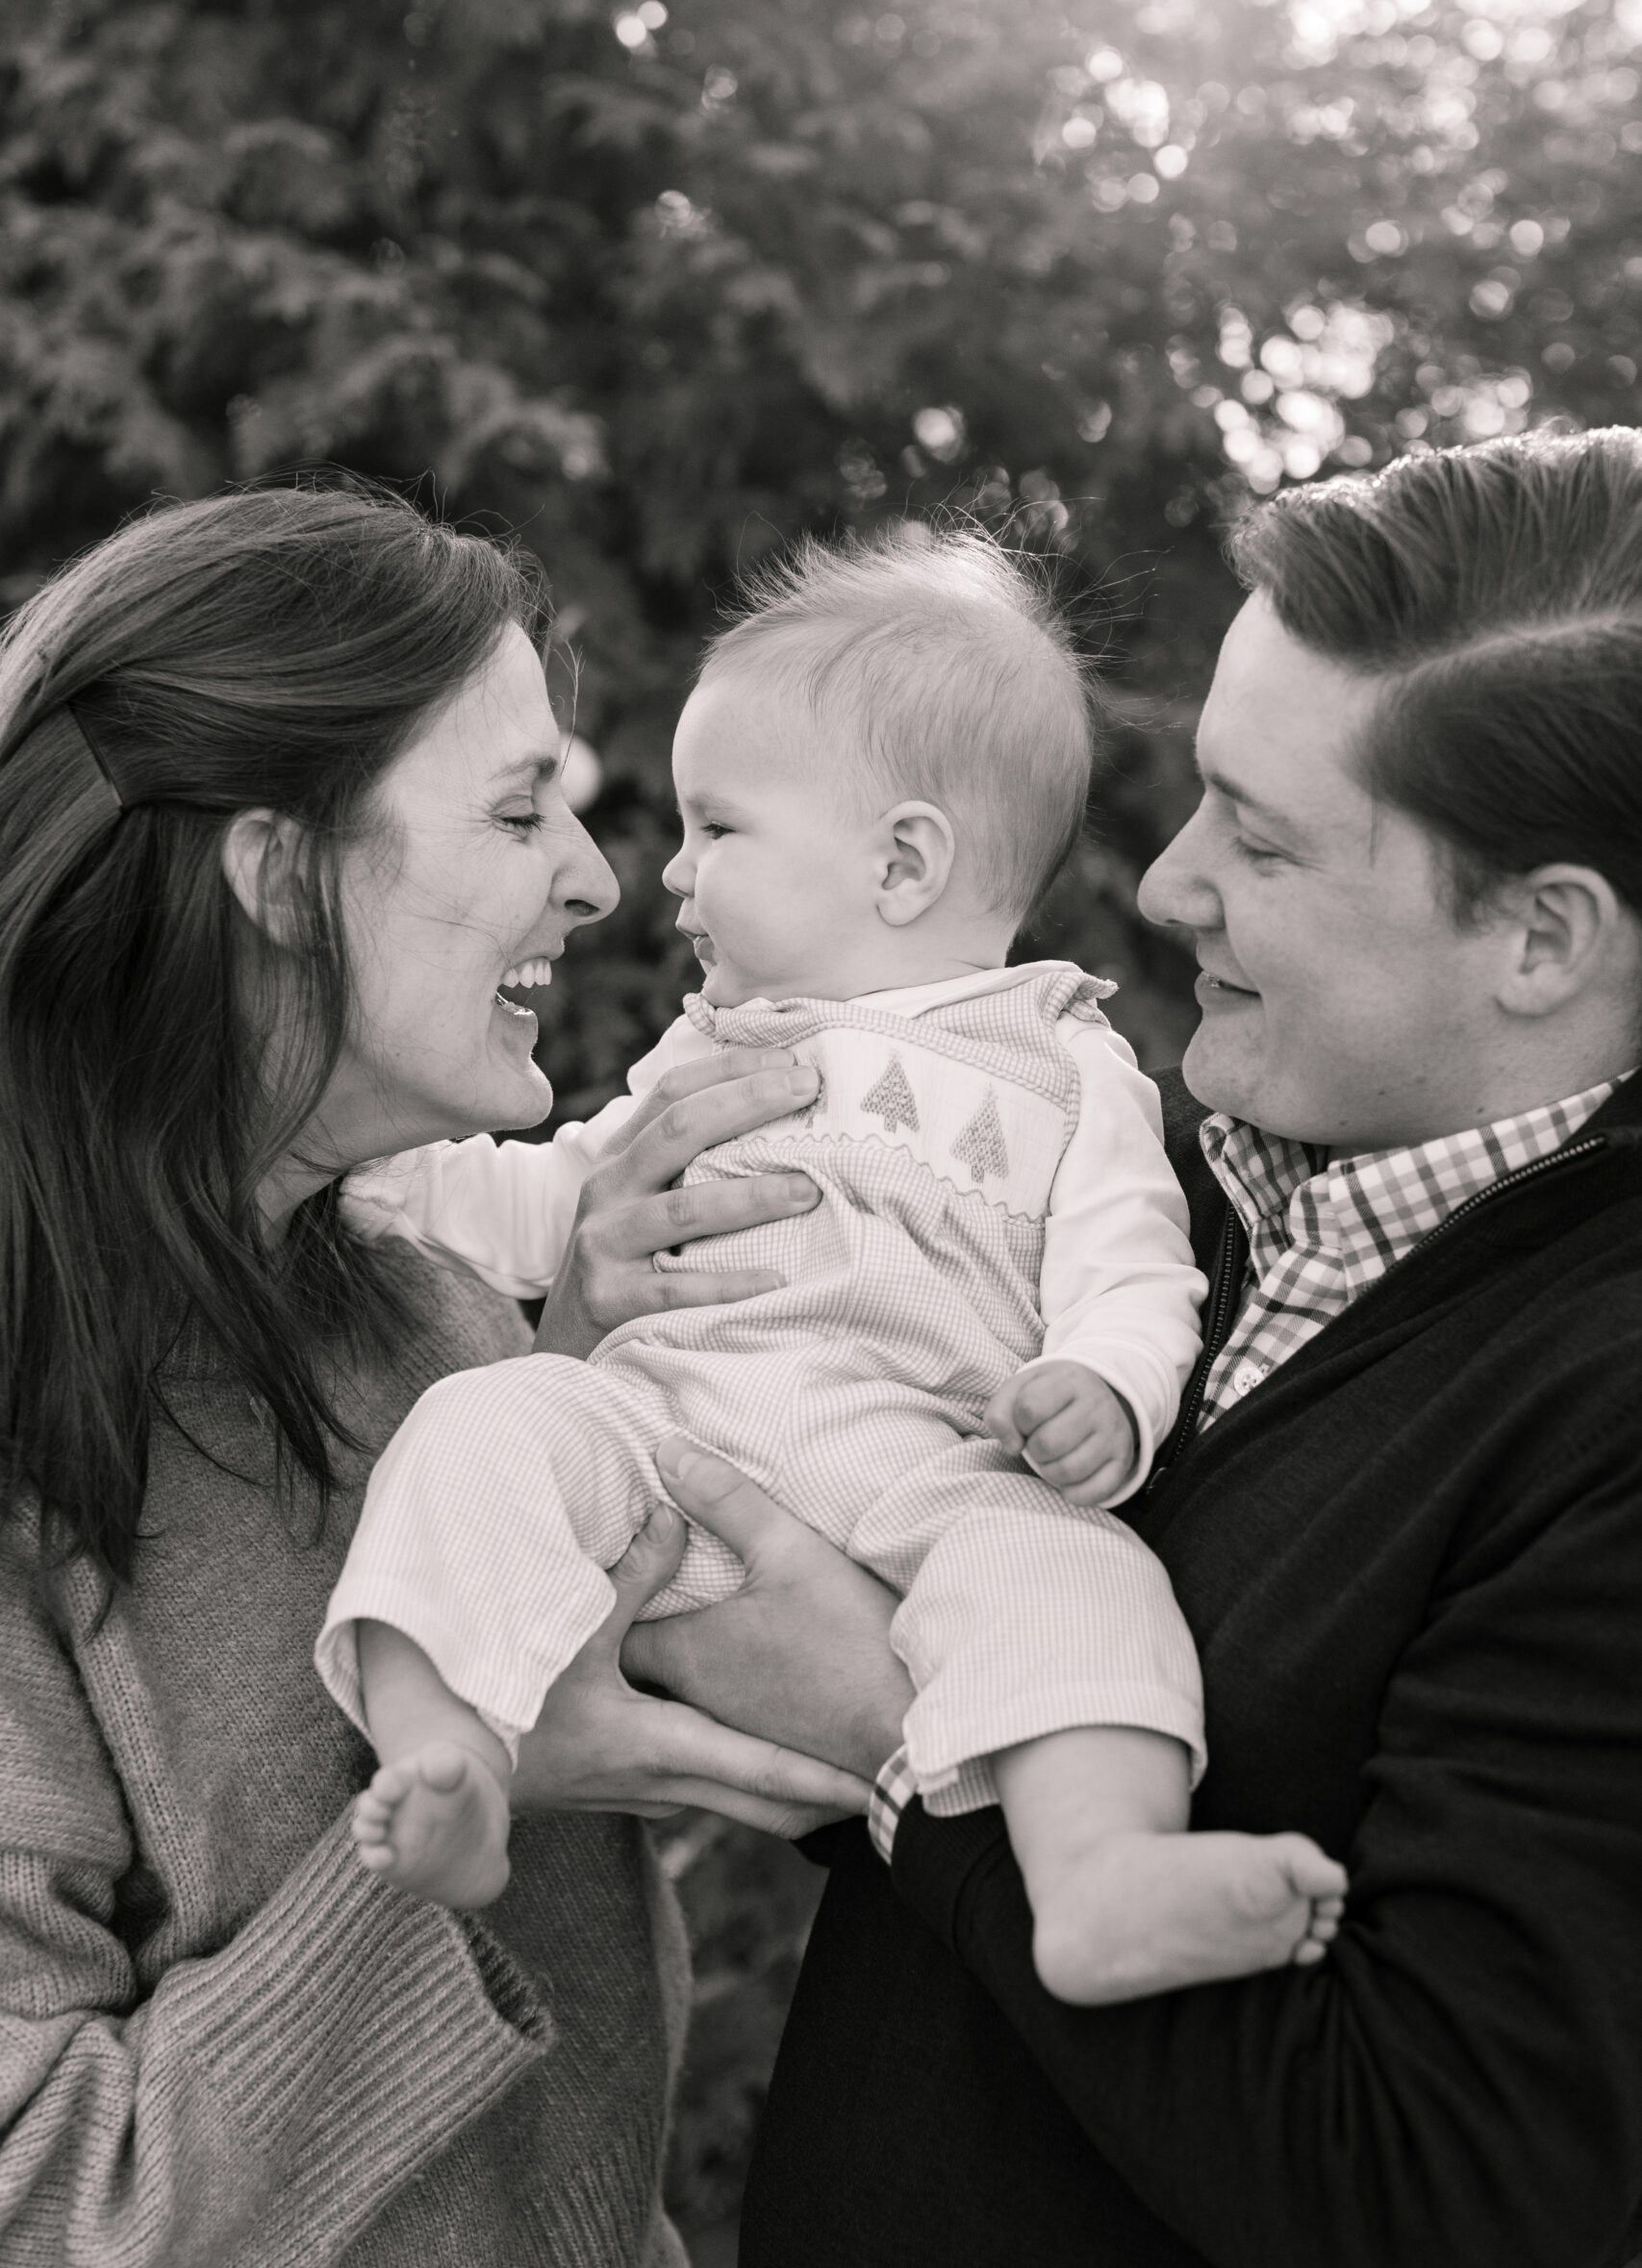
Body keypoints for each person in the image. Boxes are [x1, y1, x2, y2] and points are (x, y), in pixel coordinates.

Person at [607, 429, 1642, 2267]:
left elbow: (1444, 2184)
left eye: (1260, 833)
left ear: (1543, 938)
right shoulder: (1199, 1207)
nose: (1164, 887)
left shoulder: (1604, 1407)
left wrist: (892, 1734)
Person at [0, 483, 865, 2268]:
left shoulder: (440, 1335)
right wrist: (465, 1798)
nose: (602, 876)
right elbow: (50, 2202)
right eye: (517, 803)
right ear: (280, 879)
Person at [319, 534, 1346, 1998]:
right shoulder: (710, 1048)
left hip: (927, 1469)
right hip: (666, 1439)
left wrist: (1102, 1391)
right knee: (484, 1421)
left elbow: (1135, 1267)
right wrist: (384, 1182)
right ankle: (450, 1752)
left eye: (717, 831)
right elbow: (560, 1195)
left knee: (1070, 1577)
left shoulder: (1068, 1063)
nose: (665, 873)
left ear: (904, 859)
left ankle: (1102, 1876)